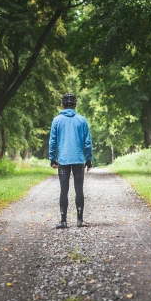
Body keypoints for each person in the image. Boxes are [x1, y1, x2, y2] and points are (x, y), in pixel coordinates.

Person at [49, 93, 93, 229]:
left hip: (63, 159)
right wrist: (89, 159)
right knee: (79, 189)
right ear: (75, 104)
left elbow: (53, 141)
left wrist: (52, 158)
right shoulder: (82, 120)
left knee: (64, 190)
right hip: (79, 159)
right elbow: (87, 142)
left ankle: (63, 221)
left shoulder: (57, 120)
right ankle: (80, 220)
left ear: (62, 104)